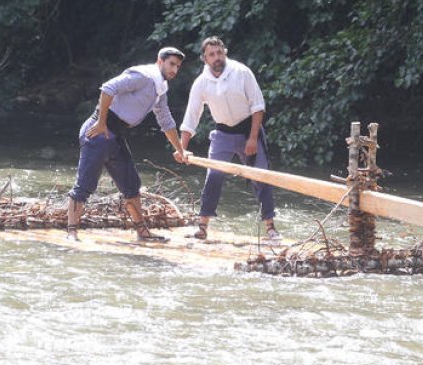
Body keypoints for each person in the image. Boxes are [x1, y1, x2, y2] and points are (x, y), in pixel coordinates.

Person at [66, 47, 190, 242]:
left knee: (131, 185)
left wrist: (180, 150)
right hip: (98, 131)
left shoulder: (160, 89)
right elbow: (108, 88)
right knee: (85, 185)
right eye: (171, 64)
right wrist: (101, 122)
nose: (174, 70)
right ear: (160, 61)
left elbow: (166, 121)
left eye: (178, 66)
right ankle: (71, 232)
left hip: (116, 135)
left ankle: (143, 232)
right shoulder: (143, 76)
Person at [179, 36, 279, 243]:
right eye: (211, 54)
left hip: (248, 130)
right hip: (223, 133)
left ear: (224, 52)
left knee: (261, 176)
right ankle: (202, 226)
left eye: (219, 52)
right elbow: (192, 116)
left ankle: (270, 226)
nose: (217, 57)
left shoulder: (242, 72)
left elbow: (258, 106)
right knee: (213, 176)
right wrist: (181, 148)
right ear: (205, 58)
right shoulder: (201, 82)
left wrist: (253, 138)